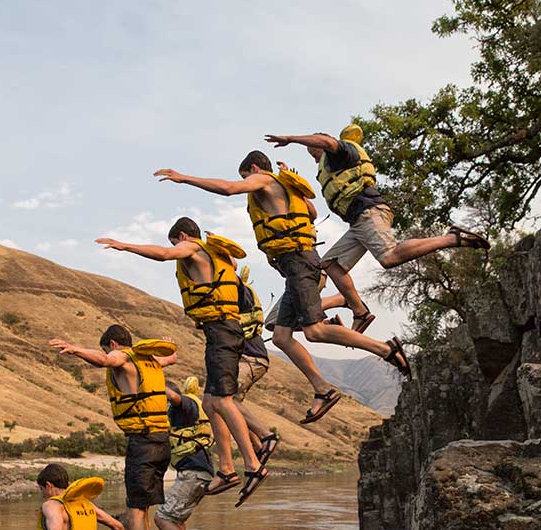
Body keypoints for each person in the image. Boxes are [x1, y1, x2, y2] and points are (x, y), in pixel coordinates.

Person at [154, 157, 412, 425]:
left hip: (300, 262)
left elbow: (228, 189)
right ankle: (322, 389)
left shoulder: (264, 179)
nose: (247, 185)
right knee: (280, 335)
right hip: (297, 265)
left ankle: (385, 349)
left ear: (254, 169)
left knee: (315, 331)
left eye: (247, 177)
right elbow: (311, 213)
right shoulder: (286, 186)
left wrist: (185, 178)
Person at [94, 222, 270, 505]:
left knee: (223, 401)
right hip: (222, 331)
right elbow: (234, 266)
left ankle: (252, 463)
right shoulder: (218, 255)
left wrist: (125, 245)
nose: (177, 249)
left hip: (222, 330)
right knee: (211, 401)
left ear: (183, 237)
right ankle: (227, 468)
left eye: (177, 242)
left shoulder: (192, 248)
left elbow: (164, 255)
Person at [264, 123, 490, 329]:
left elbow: (326, 143)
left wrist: (291, 138)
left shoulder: (341, 152)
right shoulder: (330, 162)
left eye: (313, 152)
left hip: (369, 211)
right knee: (331, 264)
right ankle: (360, 312)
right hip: (357, 221)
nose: (314, 159)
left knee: (389, 256)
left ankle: (451, 237)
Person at [49, 325, 176, 530]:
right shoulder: (150, 362)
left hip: (142, 442)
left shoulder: (123, 357)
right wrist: (170, 349)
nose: (109, 354)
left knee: (135, 515)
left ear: (114, 344)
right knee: (142, 514)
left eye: (108, 347)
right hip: (162, 441)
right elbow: (170, 360)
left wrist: (75, 349)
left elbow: (108, 360)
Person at [154, 376, 212, 530]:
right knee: (176, 519)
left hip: (194, 472)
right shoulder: (174, 416)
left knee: (163, 518)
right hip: (194, 472)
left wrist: (154, 383)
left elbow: (176, 398)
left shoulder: (184, 406)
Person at [235, 266, 280, 462]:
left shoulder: (242, 292)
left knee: (227, 400)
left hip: (252, 358)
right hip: (250, 359)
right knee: (231, 407)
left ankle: (266, 437)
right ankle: (258, 449)